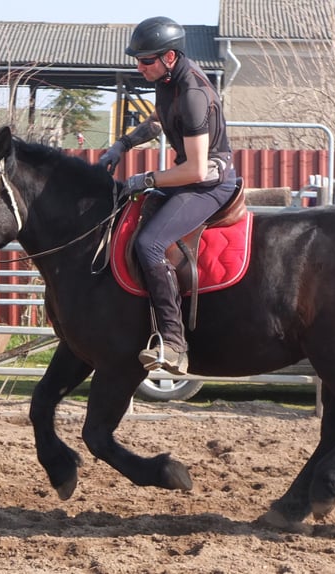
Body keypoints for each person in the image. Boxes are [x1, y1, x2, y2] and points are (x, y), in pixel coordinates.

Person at [99, 16, 237, 376]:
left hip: (208, 183)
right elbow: (160, 121)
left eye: (146, 60)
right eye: (138, 59)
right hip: (188, 177)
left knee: (149, 245)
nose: (139, 66)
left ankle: (174, 344)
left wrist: (145, 179)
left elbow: (194, 169)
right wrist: (122, 144)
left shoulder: (192, 93)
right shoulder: (166, 81)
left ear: (170, 57)